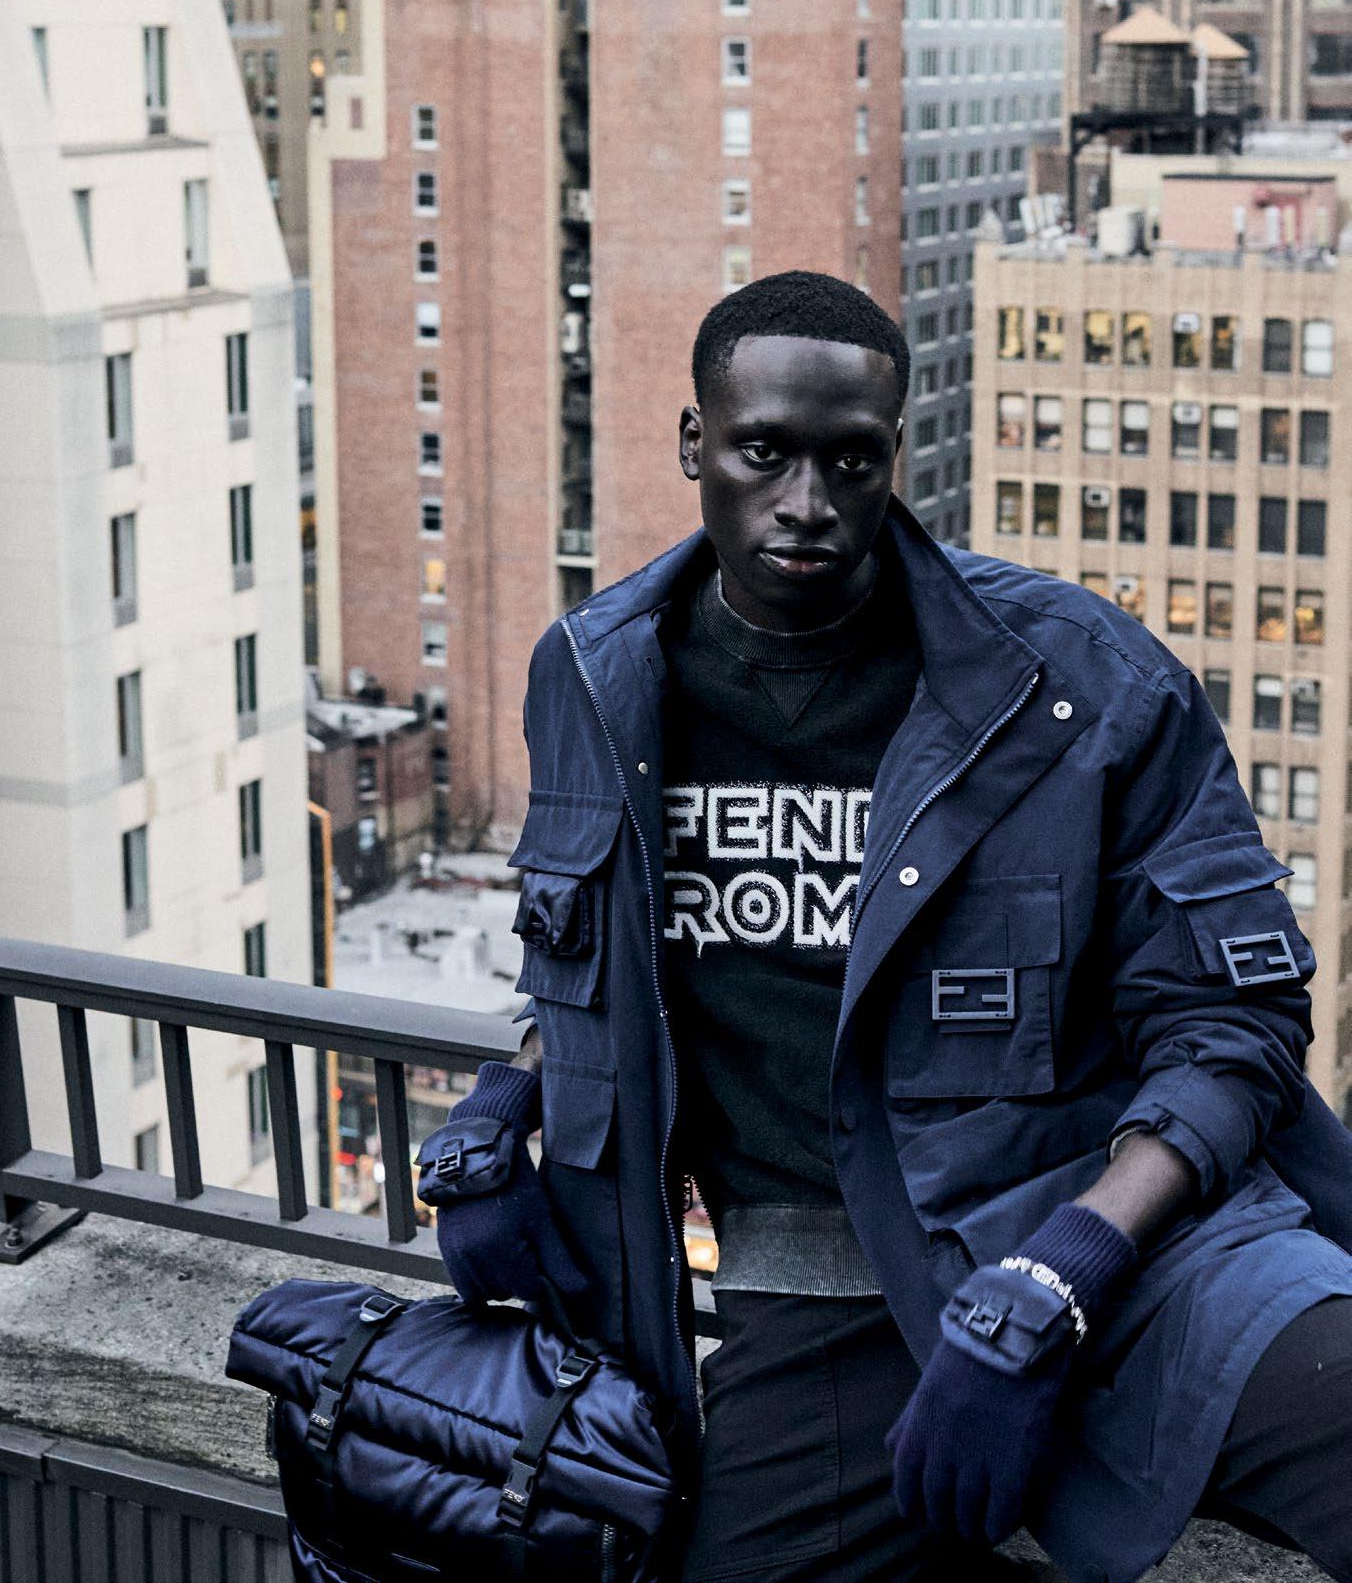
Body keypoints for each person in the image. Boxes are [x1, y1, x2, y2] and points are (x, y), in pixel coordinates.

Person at [418, 270, 1352, 1582]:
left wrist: (1064, 1270)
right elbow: (602, 963)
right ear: (694, 443)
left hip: (1129, 1258)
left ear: (893, 457)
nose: (807, 501)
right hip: (820, 1300)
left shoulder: (1082, 679)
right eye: (764, 453)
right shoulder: (594, 673)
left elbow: (1233, 1023)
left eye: (850, 461)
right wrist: (500, 1107)